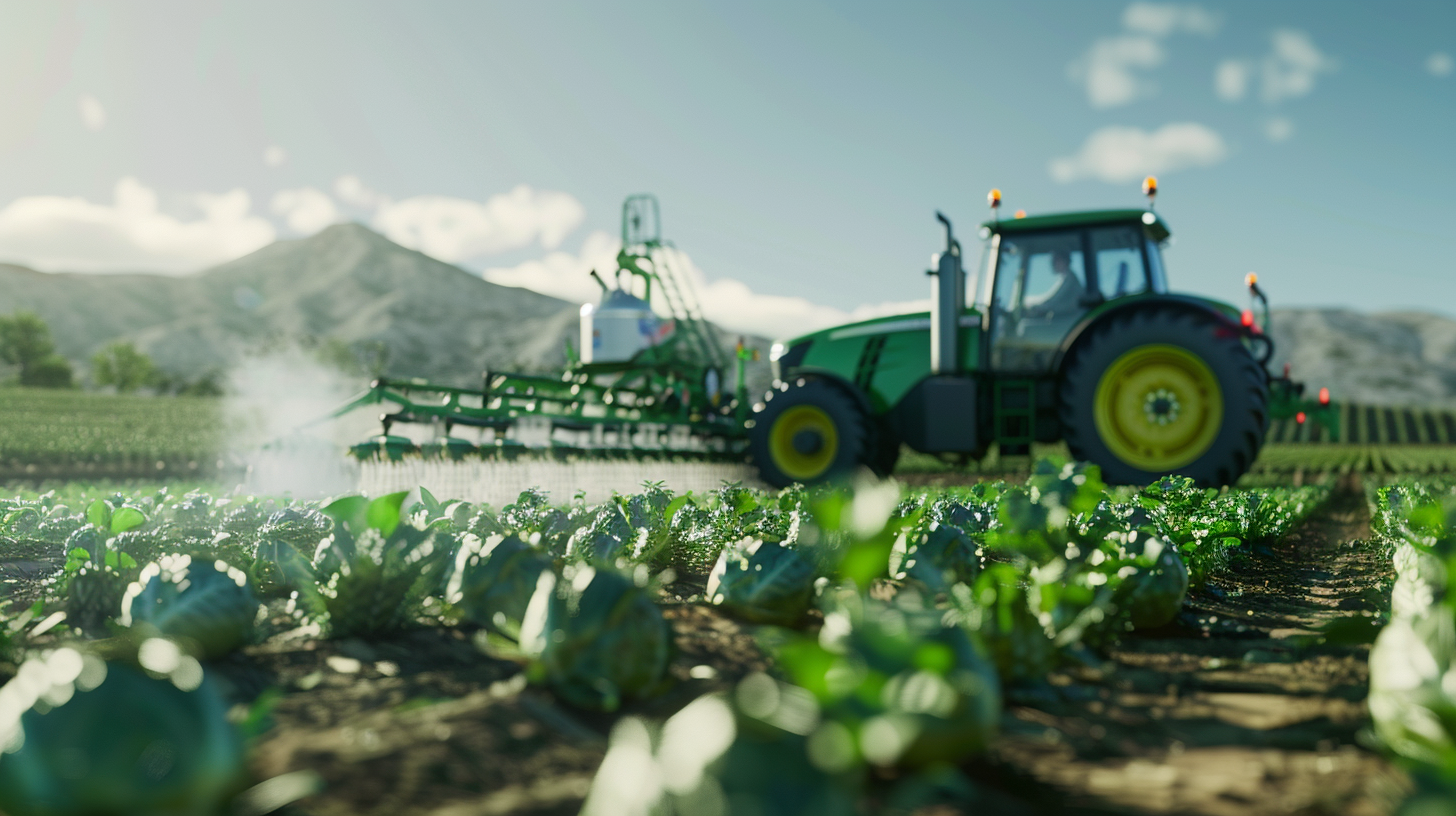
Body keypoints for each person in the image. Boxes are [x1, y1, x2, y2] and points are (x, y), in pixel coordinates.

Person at [1023, 250, 1086, 319]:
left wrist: (1039, 308)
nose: (1052, 264)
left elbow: (1055, 301)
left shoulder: (1070, 279)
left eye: (1056, 260)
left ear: (1064, 261)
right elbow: (1052, 300)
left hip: (1069, 319)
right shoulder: (1066, 278)